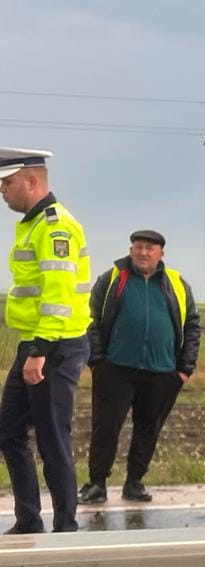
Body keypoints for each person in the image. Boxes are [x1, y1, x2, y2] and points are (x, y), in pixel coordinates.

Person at [0, 148, 92, 534]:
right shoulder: (32, 225)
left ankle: (66, 529)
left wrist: (39, 350)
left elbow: (57, 294)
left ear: (32, 181)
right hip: (35, 342)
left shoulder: (56, 227)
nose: (2, 191)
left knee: (53, 439)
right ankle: (29, 521)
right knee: (8, 431)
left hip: (55, 345)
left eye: (7, 183)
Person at [77, 230, 200, 504]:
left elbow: (192, 325)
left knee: (148, 429)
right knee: (106, 428)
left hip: (162, 371)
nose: (143, 252)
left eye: (149, 248)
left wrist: (184, 369)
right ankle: (97, 483)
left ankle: (134, 483)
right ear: (131, 250)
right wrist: (96, 361)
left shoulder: (176, 284)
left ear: (160, 254)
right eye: (138, 247)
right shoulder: (112, 279)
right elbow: (89, 318)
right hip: (115, 369)